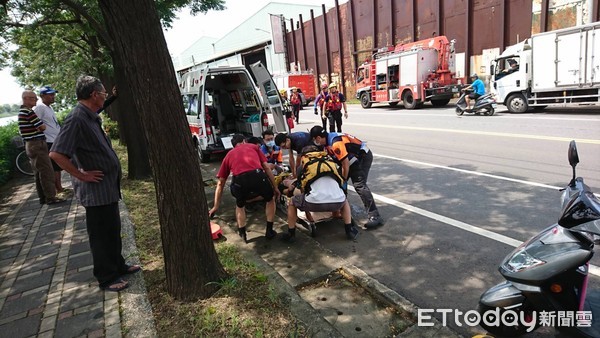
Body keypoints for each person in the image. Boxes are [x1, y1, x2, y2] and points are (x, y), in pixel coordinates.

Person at [49, 75, 140, 292]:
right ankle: (106, 277)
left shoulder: (89, 114)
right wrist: (81, 175)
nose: (105, 96)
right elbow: (56, 154)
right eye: (104, 93)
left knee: (112, 230)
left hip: (107, 188)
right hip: (95, 190)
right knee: (100, 235)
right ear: (94, 95)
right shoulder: (76, 119)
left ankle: (118, 265)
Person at [209, 134, 280, 243]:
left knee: (240, 205)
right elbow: (266, 167)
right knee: (270, 199)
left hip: (239, 181)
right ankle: (269, 231)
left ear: (233, 146)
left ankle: (242, 234)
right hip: (257, 176)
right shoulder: (253, 147)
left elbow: (221, 183)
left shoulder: (228, 155)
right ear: (244, 141)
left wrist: (215, 206)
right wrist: (275, 188)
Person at [279, 145, 358, 243]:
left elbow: (303, 191)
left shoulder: (303, 166)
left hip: (314, 203)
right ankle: (349, 229)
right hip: (338, 202)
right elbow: (340, 183)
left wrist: (310, 219)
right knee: (344, 200)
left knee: (292, 202)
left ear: (305, 156)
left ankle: (291, 234)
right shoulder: (331, 163)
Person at [310, 126, 384, 229]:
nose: (315, 142)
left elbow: (345, 164)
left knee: (359, 185)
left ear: (318, 138)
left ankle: (375, 216)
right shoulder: (327, 142)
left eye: (314, 140)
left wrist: (343, 179)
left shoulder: (335, 143)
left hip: (362, 157)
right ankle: (341, 211)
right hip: (351, 159)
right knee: (339, 184)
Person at [18, 90, 65, 205]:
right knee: (46, 171)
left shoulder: (22, 112)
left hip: (30, 143)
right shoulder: (28, 112)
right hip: (37, 143)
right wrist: (40, 126)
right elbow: (42, 127)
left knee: (38, 172)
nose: (36, 100)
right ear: (27, 99)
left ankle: (43, 197)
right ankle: (51, 197)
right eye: (34, 98)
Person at [34, 85, 68, 194]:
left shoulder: (48, 107)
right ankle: (58, 189)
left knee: (57, 167)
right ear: (43, 96)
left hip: (55, 140)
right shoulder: (39, 107)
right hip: (48, 141)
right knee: (53, 167)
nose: (53, 96)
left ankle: (59, 187)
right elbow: (34, 123)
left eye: (54, 94)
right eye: (51, 94)